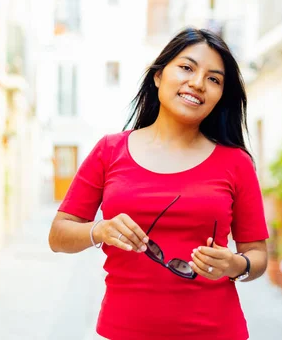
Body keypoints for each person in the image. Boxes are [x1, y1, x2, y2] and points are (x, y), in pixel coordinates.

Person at [48, 28, 269, 340]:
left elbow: (257, 255)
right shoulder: (110, 150)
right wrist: (99, 230)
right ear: (158, 76)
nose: (197, 83)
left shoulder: (236, 163)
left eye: (214, 79)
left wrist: (234, 264)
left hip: (215, 331)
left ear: (221, 96)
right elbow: (58, 235)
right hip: (122, 331)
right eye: (187, 67)